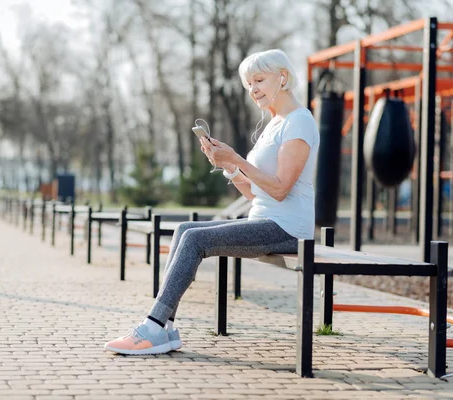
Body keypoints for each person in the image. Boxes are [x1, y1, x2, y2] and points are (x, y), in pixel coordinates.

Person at [104, 49, 320, 355]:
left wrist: (235, 158)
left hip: (287, 227)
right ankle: (164, 328)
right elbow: (254, 193)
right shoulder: (273, 123)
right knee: (184, 230)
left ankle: (152, 326)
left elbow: (282, 189)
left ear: (282, 77)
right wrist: (228, 167)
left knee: (194, 239)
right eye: (248, 84)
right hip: (264, 221)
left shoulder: (298, 122)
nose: (253, 89)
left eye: (259, 80)